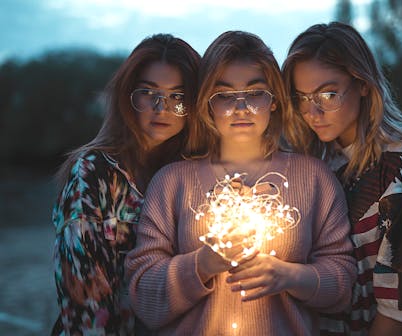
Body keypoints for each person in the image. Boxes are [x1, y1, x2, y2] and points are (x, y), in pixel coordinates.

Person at [125, 30, 357, 335]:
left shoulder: (314, 179)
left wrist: (288, 276)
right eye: (224, 95)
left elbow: (344, 287)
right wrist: (202, 265)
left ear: (274, 100)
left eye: (255, 92)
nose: (241, 108)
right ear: (207, 102)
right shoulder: (172, 183)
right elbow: (142, 297)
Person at [282, 22, 402, 336]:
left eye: (328, 94)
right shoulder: (320, 160)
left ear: (363, 83)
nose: (313, 112)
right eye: (302, 97)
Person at [51, 34, 200, 335]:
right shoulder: (93, 171)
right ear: (128, 95)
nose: (162, 107)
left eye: (178, 96)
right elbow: (83, 296)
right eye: (148, 92)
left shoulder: (194, 173)